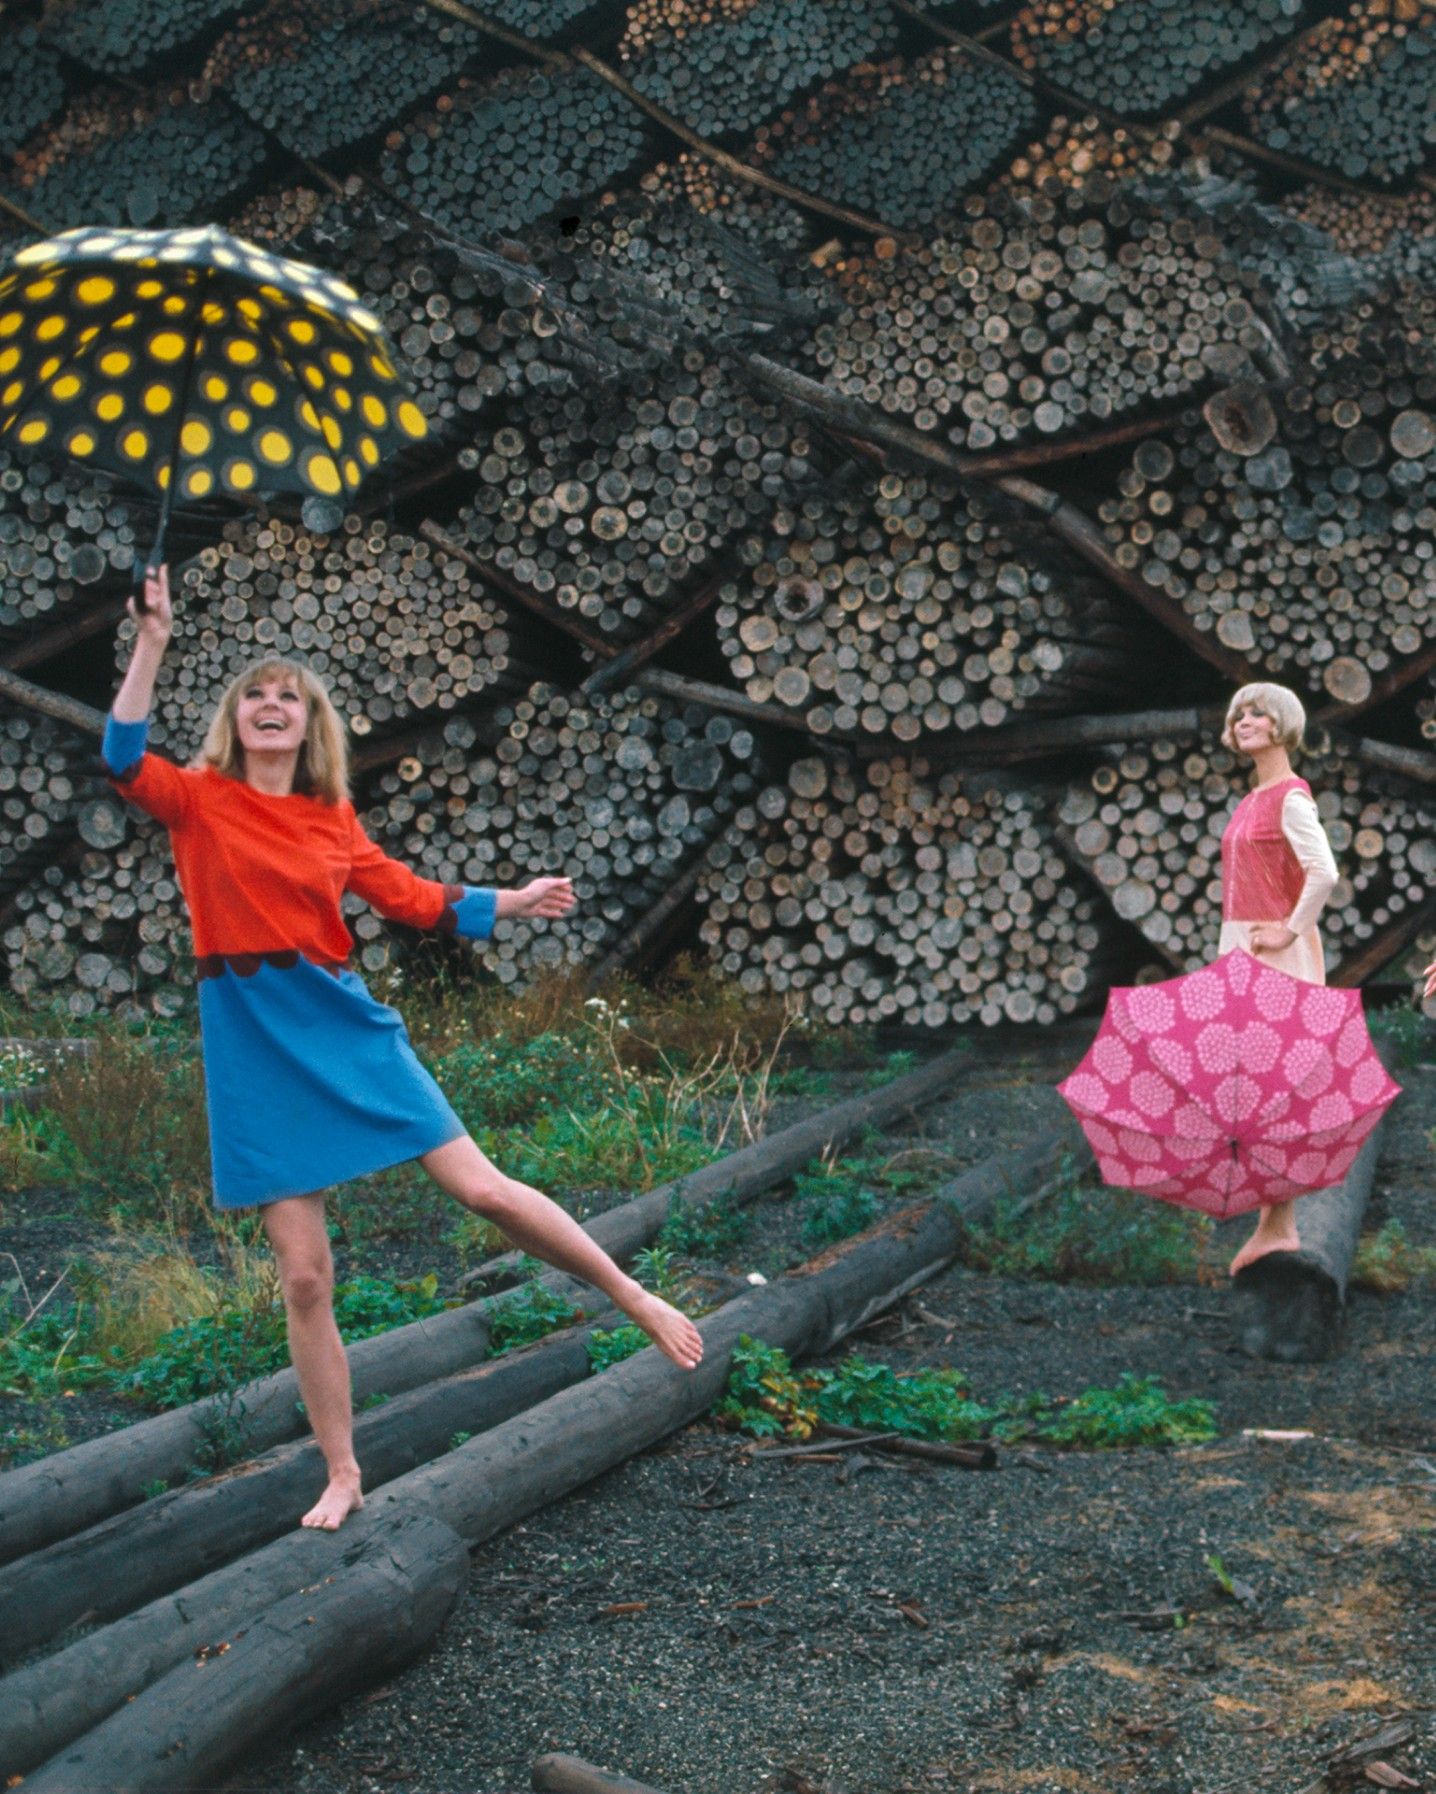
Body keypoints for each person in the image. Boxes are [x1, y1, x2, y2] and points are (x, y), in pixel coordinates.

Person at [103, 564, 704, 1531]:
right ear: (234, 719)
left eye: (289, 696)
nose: (270, 705)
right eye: (254, 695)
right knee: (305, 1276)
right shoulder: (198, 800)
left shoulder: (330, 818)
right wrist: (152, 642)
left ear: (310, 724)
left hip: (346, 1030)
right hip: (254, 1050)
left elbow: (410, 896)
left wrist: (510, 901)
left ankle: (632, 1296)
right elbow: (123, 759)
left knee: (484, 1191)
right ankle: (342, 1471)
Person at [1217, 681, 1339, 1276]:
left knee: (1270, 1087)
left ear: (1282, 724)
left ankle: (1279, 1226)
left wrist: (1289, 932)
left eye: (1258, 713)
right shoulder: (1253, 798)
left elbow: (1324, 872)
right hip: (1243, 946)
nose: (1245, 720)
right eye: (1239, 712)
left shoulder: (1290, 797)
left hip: (1276, 955)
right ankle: (1273, 1221)